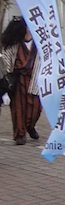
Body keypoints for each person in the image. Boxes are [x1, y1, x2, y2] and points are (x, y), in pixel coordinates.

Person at [0, 17, 42, 145]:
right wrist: (8, 74)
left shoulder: (39, 43)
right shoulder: (12, 44)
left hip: (35, 79)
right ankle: (19, 134)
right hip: (17, 80)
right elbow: (6, 61)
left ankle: (30, 126)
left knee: (36, 108)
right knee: (18, 108)